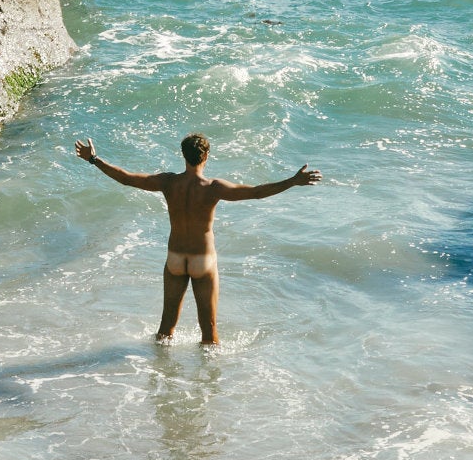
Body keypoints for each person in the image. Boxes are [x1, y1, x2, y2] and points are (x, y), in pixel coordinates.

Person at [74, 133, 320, 345]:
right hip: (203, 261)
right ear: (206, 156)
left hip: (175, 259)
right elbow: (255, 193)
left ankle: (161, 378)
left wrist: (94, 159)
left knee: (165, 329)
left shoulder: (168, 182)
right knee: (209, 332)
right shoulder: (213, 187)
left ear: (183, 155)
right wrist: (293, 181)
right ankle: (206, 387)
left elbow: (126, 178)